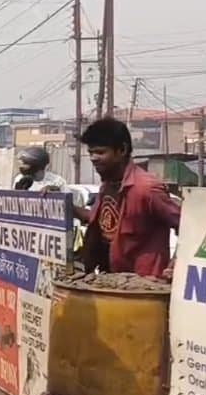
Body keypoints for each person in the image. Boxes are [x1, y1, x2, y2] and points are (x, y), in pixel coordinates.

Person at [77, 118, 181, 278]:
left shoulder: (147, 189)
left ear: (122, 150)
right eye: (91, 153)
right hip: (111, 282)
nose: (93, 158)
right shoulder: (108, 186)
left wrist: (177, 264)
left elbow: (187, 227)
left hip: (142, 289)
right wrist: (65, 206)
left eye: (100, 152)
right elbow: (105, 224)